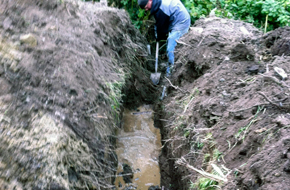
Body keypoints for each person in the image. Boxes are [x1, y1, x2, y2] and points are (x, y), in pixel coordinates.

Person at [138, 0, 191, 77]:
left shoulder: (160, 9)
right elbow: (160, 22)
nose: (146, 9)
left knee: (171, 48)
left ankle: (171, 73)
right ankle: (171, 69)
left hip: (181, 21)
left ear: (150, 1)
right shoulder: (157, 4)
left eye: (146, 7)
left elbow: (162, 28)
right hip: (175, 18)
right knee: (171, 43)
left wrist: (158, 37)